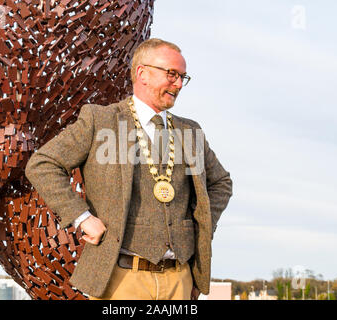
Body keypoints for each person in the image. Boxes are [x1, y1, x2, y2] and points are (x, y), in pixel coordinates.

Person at [25, 38, 232, 300]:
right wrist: (82, 218)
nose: (178, 84)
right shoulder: (100, 121)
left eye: (183, 77)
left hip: (180, 280)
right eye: (171, 74)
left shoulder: (190, 131)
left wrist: (200, 227)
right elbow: (43, 164)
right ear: (142, 73)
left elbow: (221, 183)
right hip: (120, 281)